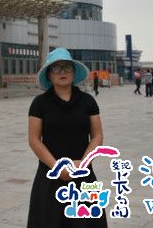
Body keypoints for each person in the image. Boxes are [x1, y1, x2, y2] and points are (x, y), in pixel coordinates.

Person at [28, 48, 106, 227]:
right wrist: (57, 168)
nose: (62, 72)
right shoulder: (39, 104)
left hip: (83, 173)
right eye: (56, 68)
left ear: (74, 71)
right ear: (49, 74)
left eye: (67, 67)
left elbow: (97, 136)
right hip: (50, 175)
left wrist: (83, 164)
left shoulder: (88, 101)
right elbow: (34, 140)